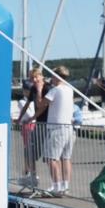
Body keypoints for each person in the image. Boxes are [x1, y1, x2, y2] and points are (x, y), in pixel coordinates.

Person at [43, 66, 75, 195]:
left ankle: (56, 186)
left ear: (56, 76)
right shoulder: (70, 90)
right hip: (69, 127)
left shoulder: (55, 90)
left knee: (52, 158)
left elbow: (42, 104)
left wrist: (40, 89)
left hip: (57, 128)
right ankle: (65, 186)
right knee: (66, 158)